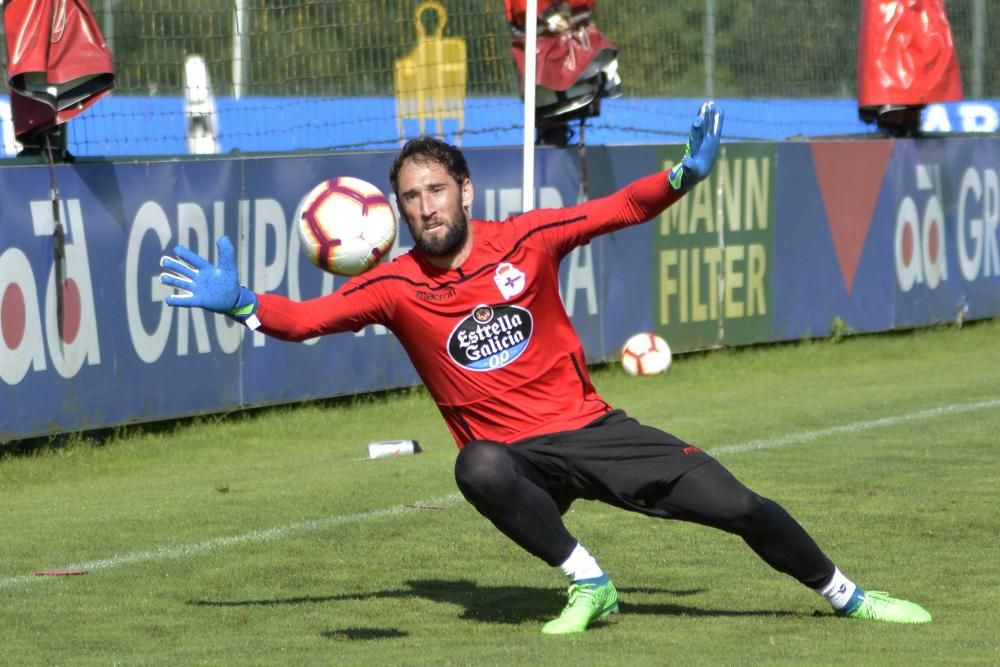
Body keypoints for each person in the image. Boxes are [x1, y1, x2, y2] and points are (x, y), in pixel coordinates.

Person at [159, 102, 932, 634]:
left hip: (594, 431)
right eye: (409, 198)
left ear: (464, 190)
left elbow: (616, 209)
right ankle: (590, 582)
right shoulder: (393, 285)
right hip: (518, 458)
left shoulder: (526, 238)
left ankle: (851, 597)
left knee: (743, 507)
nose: (424, 207)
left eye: (435, 190)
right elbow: (304, 320)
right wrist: (242, 304)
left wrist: (680, 177)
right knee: (476, 466)